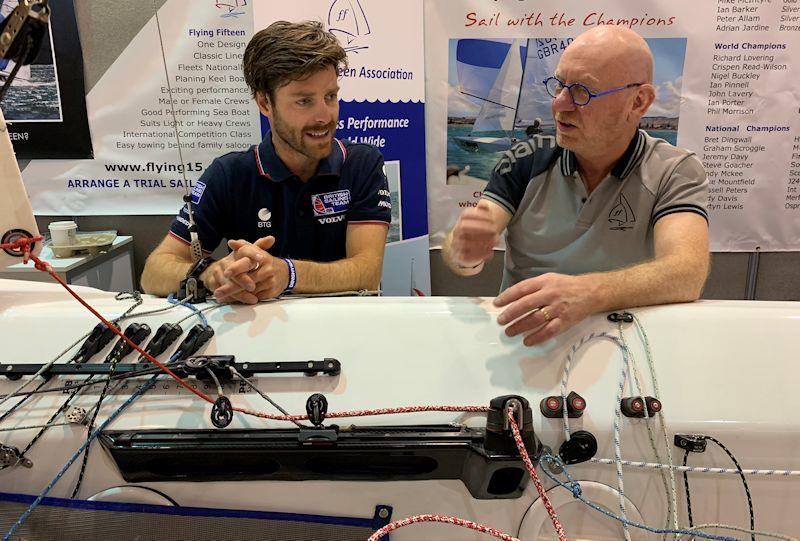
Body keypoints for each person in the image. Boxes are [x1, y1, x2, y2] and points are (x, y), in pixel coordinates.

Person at [443, 25, 709, 346]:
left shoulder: (674, 170)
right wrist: (463, 252)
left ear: (639, 102)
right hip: (525, 341)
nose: (559, 104)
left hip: (624, 344)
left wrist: (589, 293)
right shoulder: (524, 158)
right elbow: (464, 249)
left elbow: (686, 273)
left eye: (582, 91)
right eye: (559, 85)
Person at [141, 21, 392, 303]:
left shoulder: (362, 163)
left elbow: (367, 272)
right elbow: (153, 273)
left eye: (330, 96)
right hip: (259, 336)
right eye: (304, 101)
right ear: (264, 103)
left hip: (347, 330)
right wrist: (212, 274)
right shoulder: (229, 174)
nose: (325, 116)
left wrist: (287, 274)